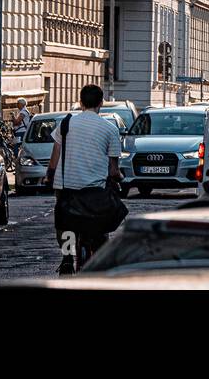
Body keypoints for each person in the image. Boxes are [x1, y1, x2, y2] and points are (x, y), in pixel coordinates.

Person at [45, 84, 125, 275]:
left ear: (80, 102)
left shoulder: (65, 124)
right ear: (101, 103)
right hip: (95, 189)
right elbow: (113, 170)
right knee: (100, 223)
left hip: (66, 185)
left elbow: (55, 157)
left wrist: (49, 177)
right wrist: (120, 177)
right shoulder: (110, 128)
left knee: (64, 224)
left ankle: (66, 258)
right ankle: (99, 256)